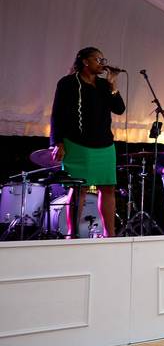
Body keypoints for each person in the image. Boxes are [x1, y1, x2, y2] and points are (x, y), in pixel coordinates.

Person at [50, 47, 126, 237]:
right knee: (79, 189)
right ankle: (72, 235)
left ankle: (110, 236)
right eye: (98, 59)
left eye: (103, 59)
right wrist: (57, 142)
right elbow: (57, 114)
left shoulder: (103, 85)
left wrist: (113, 85)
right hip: (77, 143)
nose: (102, 63)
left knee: (108, 188)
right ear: (85, 61)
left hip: (104, 145)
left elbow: (119, 109)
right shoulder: (67, 83)